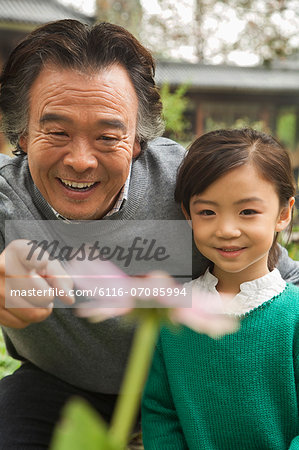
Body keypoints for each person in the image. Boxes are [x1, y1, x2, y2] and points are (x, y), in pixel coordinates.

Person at [0, 19, 297, 448]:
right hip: (55, 385)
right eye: (58, 132)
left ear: (138, 141)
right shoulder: (6, 197)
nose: (81, 160)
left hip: (186, 383)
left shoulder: (192, 190)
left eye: (107, 135)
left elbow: (282, 279)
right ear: (23, 134)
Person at [142, 128, 299, 450]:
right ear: (188, 214)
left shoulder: (294, 317)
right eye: (207, 212)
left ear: (283, 213)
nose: (227, 230)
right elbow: (160, 412)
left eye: (248, 212)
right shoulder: (171, 314)